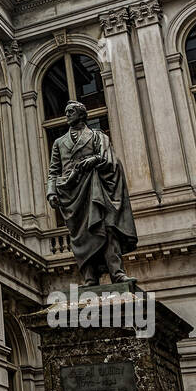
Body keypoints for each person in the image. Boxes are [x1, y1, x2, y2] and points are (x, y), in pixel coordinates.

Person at [45, 100, 138, 286]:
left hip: (96, 188)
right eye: (66, 112)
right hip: (72, 194)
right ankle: (89, 277)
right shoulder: (59, 142)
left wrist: (94, 160)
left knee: (106, 229)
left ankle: (117, 272)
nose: (67, 115)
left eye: (71, 111)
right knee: (80, 236)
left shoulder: (97, 136)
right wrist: (51, 192)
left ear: (81, 114)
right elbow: (54, 171)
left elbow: (110, 160)